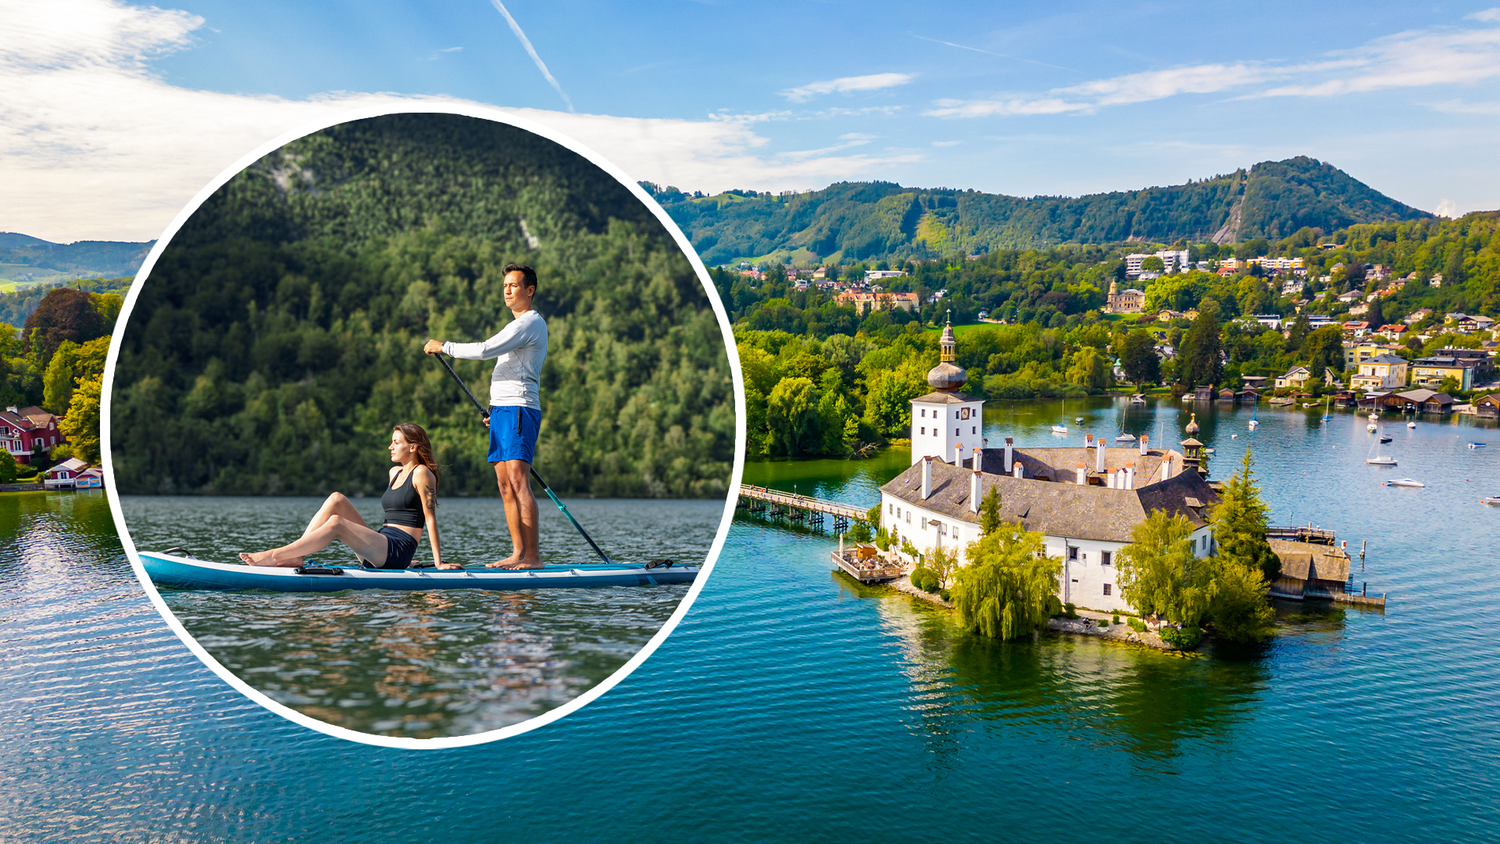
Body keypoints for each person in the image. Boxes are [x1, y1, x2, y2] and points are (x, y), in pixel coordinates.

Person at [424, 262, 547, 569]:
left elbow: (484, 350)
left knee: (519, 482)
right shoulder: (517, 325)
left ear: (529, 290)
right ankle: (518, 553)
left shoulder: (529, 323)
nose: (508, 290)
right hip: (503, 411)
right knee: (504, 484)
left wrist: (445, 346)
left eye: (514, 285)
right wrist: (497, 413)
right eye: (505, 285)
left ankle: (533, 557)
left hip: (520, 408)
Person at [239, 424, 457, 569]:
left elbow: (430, 519)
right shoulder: (394, 472)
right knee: (336, 498)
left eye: (396, 443)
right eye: (391, 441)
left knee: (336, 523)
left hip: (398, 550)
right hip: (381, 545)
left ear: (413, 447)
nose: (390, 447)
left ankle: (276, 555)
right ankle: (296, 554)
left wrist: (438, 563)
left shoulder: (422, 473)